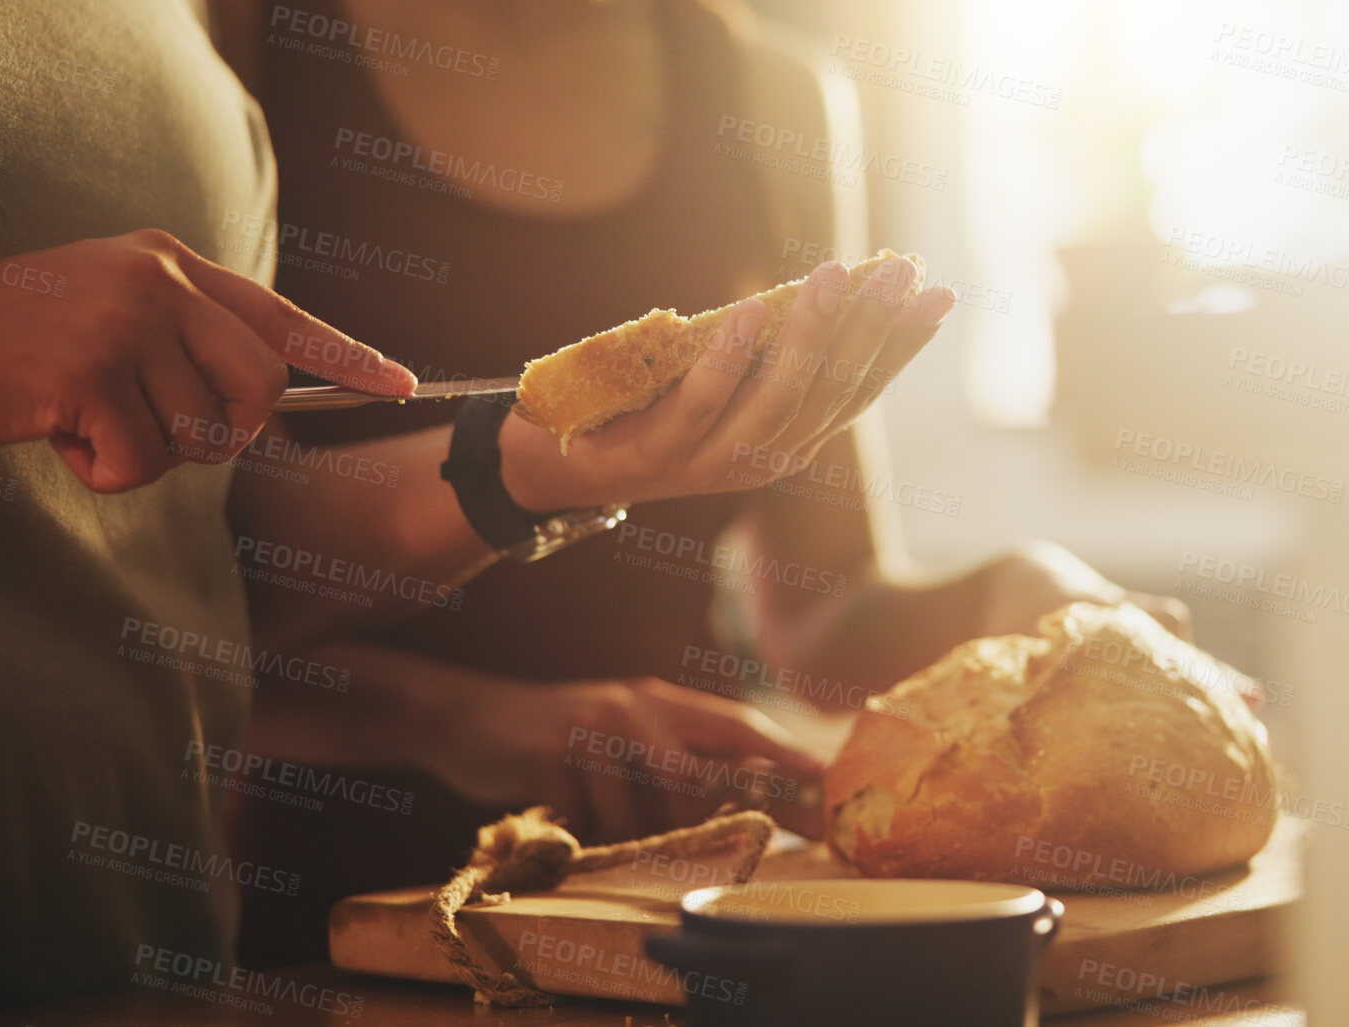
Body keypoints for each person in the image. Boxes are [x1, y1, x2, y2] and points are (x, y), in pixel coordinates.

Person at [0, 0, 945, 1016]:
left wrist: (540, 466)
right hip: (302, 910)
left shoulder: (173, 30)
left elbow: (194, 552)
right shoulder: (248, 29)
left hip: (144, 936)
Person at [213, 0, 1197, 965]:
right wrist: (465, 719)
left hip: (700, 903)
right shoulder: (237, 44)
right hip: (343, 908)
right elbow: (179, 596)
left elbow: (825, 607)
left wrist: (1011, 592)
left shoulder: (772, 97)